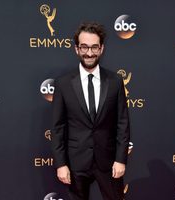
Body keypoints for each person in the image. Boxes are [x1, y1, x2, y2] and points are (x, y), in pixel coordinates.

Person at [51, 22, 130, 200]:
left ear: (101, 49)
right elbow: (57, 128)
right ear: (76, 49)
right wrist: (61, 164)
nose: (89, 53)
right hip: (75, 162)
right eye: (84, 47)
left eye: (94, 47)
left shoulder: (115, 81)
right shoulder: (63, 83)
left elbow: (122, 123)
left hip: (108, 162)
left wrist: (120, 159)